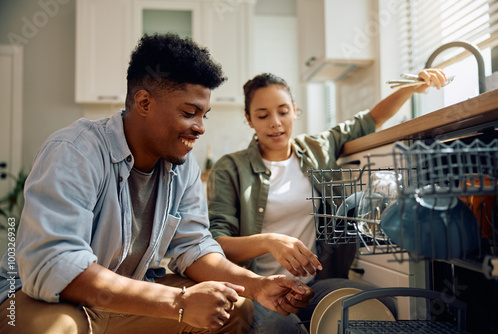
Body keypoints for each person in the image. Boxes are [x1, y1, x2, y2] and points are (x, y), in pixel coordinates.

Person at [0, 34, 314, 334]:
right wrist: (178, 303)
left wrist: (258, 285)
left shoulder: (181, 163)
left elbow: (195, 247)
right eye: (190, 113)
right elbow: (56, 265)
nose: (200, 128)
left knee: (237, 308)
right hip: (40, 299)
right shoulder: (74, 152)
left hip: (126, 295)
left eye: (204, 114)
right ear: (144, 103)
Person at [207, 70, 447, 332]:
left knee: (381, 303)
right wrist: (269, 242)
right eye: (263, 115)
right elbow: (218, 244)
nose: (275, 123)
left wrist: (412, 87)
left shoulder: (318, 148)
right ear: (249, 120)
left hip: (314, 284)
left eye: (283, 111)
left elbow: (370, 120)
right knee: (280, 329)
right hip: (262, 290)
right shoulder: (230, 168)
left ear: (295, 111)